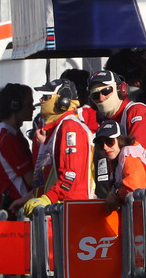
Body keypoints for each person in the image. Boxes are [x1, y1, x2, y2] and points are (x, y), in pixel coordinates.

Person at [23, 80, 94, 216]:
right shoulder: (59, 127)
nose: (41, 100)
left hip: (71, 212)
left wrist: (47, 198)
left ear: (64, 101)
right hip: (60, 210)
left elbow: (70, 175)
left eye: (47, 97)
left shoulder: (70, 127)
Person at [86, 69, 146, 193]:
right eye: (95, 95)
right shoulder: (104, 124)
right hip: (123, 193)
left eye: (106, 91)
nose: (101, 98)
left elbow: (139, 159)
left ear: (120, 90)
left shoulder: (136, 111)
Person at [0, 82, 37, 212]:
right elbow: (32, 180)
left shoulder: (7, 134)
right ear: (15, 105)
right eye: (29, 103)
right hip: (22, 206)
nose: (33, 108)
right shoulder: (8, 138)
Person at [95, 120, 146, 210]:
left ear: (121, 139)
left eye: (109, 141)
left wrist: (115, 195)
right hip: (145, 209)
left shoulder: (129, 153)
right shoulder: (119, 157)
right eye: (100, 145)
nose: (105, 147)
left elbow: (134, 188)